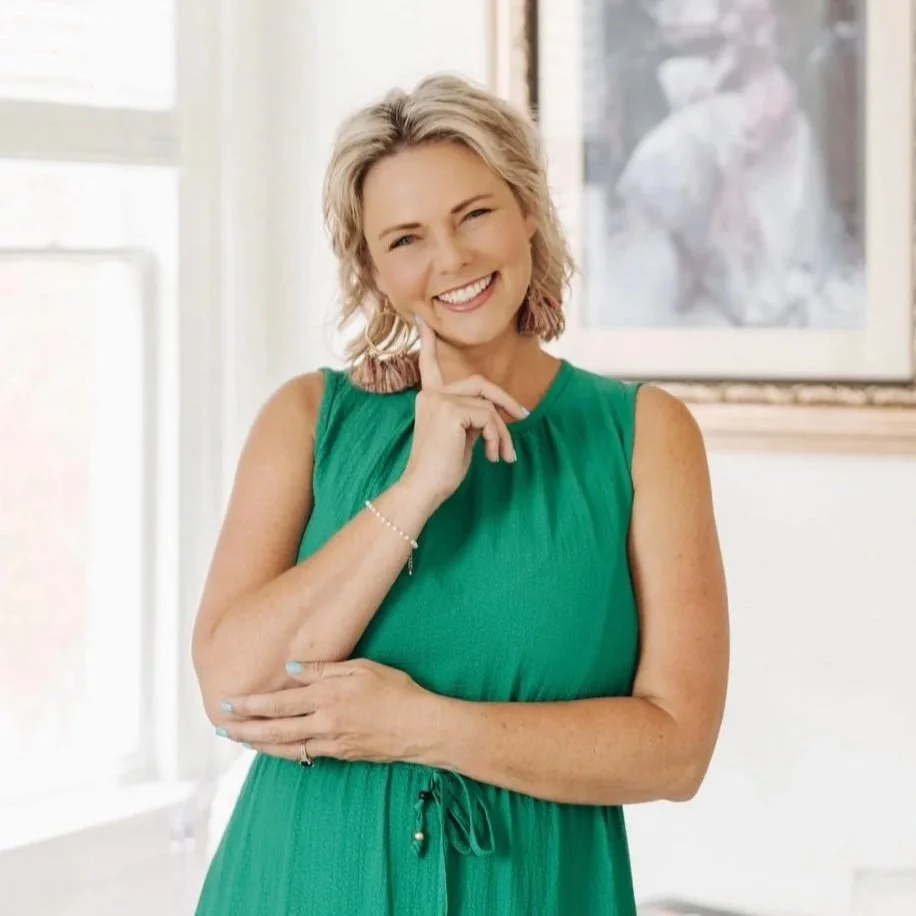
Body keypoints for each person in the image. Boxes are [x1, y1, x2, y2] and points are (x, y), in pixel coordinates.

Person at [192, 73, 729, 916]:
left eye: (473, 214)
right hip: (299, 885)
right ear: (373, 269)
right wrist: (417, 487)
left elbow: (676, 750)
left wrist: (421, 725)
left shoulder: (643, 436)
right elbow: (231, 693)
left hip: (537, 893)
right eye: (405, 238)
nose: (451, 259)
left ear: (527, 211)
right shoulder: (307, 420)